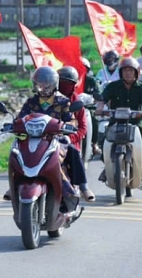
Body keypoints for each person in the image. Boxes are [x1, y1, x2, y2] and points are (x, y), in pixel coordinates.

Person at [4, 67, 80, 202]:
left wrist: (68, 126)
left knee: (66, 154)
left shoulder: (63, 101)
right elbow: (21, 118)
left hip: (56, 139)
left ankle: (75, 187)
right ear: (35, 85)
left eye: (47, 84)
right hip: (32, 139)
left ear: (54, 84)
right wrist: (13, 125)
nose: (43, 87)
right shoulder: (31, 102)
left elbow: (72, 120)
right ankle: (14, 184)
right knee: (16, 153)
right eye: (40, 84)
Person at [97, 57, 142, 182]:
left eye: (131, 70)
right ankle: (107, 167)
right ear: (121, 72)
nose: (128, 73)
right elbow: (102, 99)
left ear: (136, 72)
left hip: (136, 121)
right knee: (105, 139)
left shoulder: (141, 87)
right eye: (125, 70)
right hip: (116, 121)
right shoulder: (113, 86)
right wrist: (100, 108)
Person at [57, 66, 95, 201]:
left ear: (73, 85)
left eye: (67, 83)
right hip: (48, 139)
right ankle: (18, 183)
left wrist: (69, 138)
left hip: (68, 143)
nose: (64, 86)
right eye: (61, 83)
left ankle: (84, 186)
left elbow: (83, 128)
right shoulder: (47, 100)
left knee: (72, 151)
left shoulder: (77, 104)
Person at [80, 57, 103, 156]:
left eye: (83, 68)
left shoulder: (91, 81)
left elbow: (98, 94)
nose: (81, 70)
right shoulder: (71, 81)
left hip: (88, 107)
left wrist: (92, 100)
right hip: (72, 108)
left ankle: (94, 144)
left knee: (94, 118)